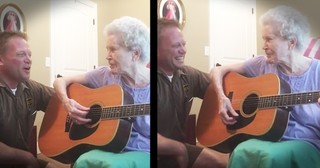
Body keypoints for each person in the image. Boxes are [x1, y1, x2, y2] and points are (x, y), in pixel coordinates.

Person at [210, 5, 320, 168]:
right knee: (241, 150)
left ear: (291, 42)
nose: (263, 46)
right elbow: (216, 70)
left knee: (272, 157)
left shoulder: (317, 71)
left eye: (268, 39)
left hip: (305, 141)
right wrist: (222, 98)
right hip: (268, 137)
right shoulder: (261, 64)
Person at [53, 16, 150, 168]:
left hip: (144, 152)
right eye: (107, 49)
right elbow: (60, 81)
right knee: (82, 161)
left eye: (113, 49)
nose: (107, 56)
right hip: (109, 148)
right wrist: (67, 103)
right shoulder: (105, 74)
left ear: (135, 54)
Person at [157, 18, 229, 168]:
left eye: (183, 44)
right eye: (176, 45)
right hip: (155, 152)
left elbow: (218, 86)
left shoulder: (187, 74)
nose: (183, 50)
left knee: (227, 162)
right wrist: (179, 149)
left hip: (181, 149)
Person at [0, 32, 65, 168]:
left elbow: (62, 101)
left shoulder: (31, 88)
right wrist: (27, 157)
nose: (28, 59)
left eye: (29, 54)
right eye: (21, 54)